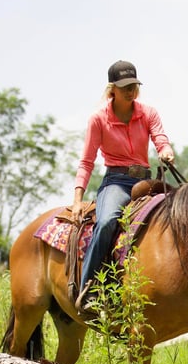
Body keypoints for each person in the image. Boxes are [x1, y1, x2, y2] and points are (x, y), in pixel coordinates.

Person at [72, 60, 175, 314]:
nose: (131, 90)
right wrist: (77, 199)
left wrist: (165, 150)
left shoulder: (148, 113)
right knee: (107, 222)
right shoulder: (98, 119)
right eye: (125, 86)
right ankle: (89, 289)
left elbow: (160, 138)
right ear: (112, 90)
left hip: (146, 181)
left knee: (180, 213)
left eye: (134, 85)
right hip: (116, 181)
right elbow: (86, 162)